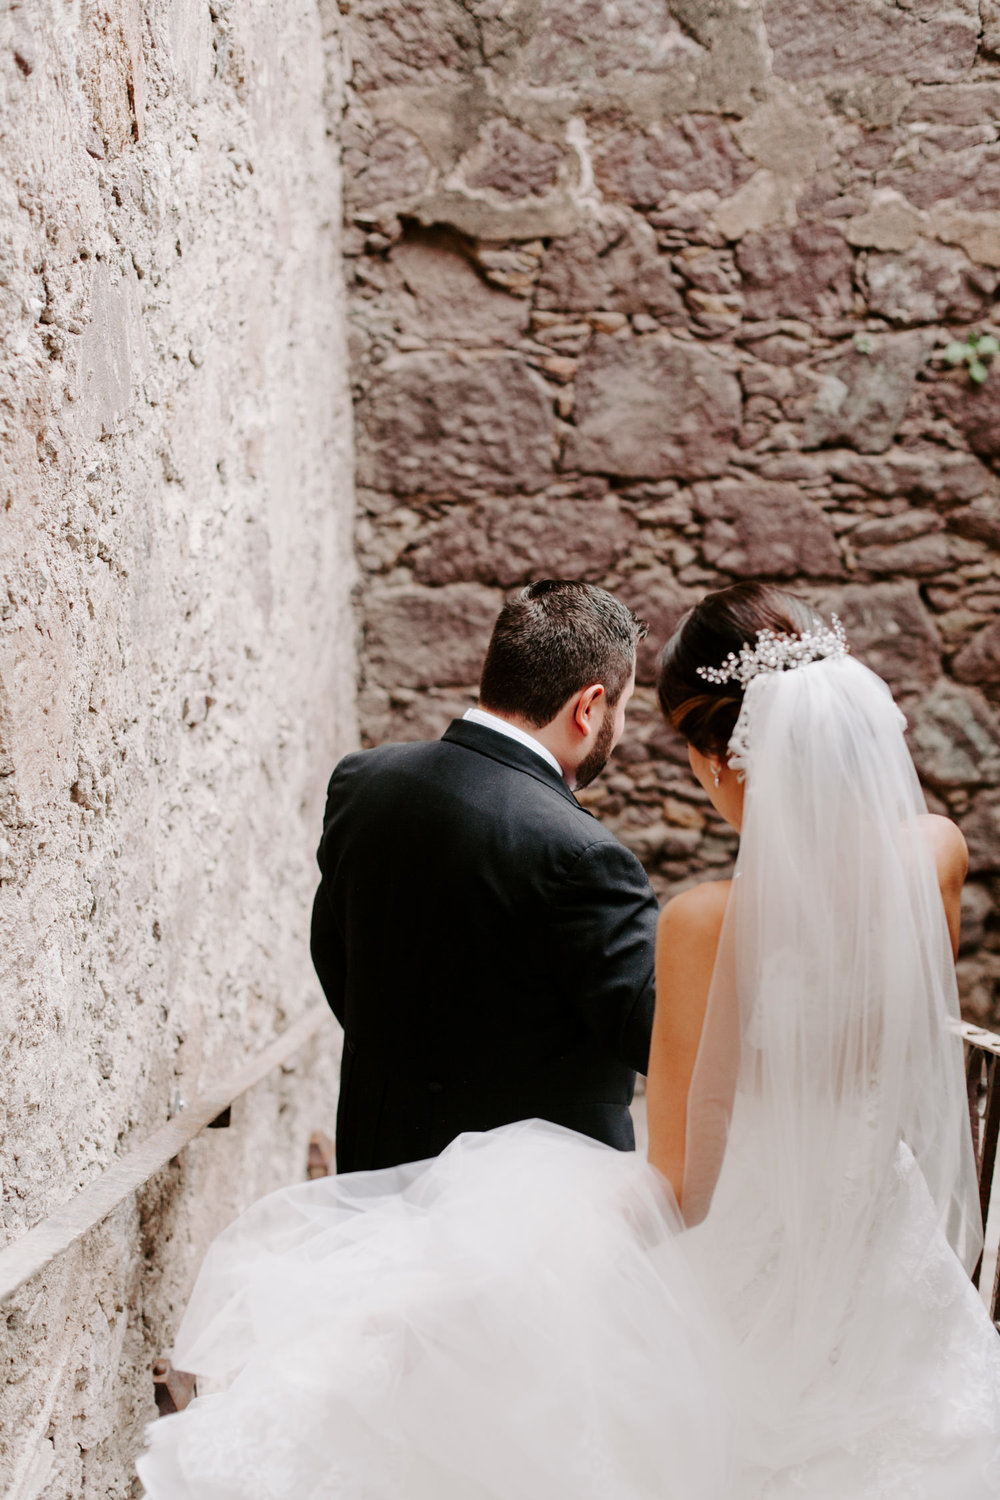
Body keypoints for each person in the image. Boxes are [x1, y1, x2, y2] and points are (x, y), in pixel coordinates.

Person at [138, 583, 1000, 1499]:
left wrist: (501, 1249)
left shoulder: (708, 920)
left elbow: (682, 1186)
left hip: (750, 1250)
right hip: (884, 1240)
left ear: (725, 757)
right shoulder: (936, 851)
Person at [309, 578, 659, 1171]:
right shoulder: (586, 857)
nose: (619, 732)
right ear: (589, 706)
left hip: (375, 1171)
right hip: (522, 1209)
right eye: (622, 709)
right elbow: (657, 1039)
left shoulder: (363, 782)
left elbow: (334, 954)